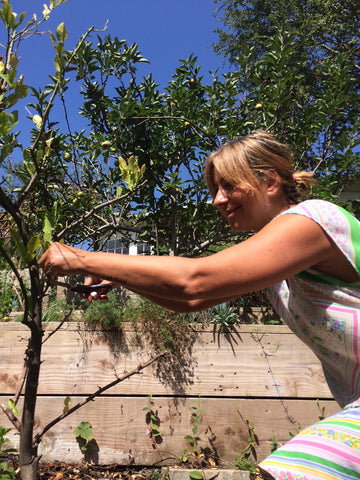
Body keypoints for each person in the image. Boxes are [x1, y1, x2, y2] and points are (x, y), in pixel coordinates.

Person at [40, 130, 360, 480]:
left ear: (269, 182)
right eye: (214, 190)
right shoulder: (280, 264)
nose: (217, 200)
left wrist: (81, 258)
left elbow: (194, 282)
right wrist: (122, 278)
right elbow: (192, 301)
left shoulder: (313, 220)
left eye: (229, 186)